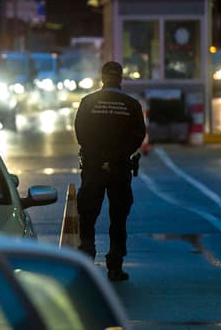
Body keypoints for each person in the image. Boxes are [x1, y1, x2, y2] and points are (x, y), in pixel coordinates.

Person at [74, 60, 147, 281]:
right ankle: (115, 266)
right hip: (120, 168)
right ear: (121, 78)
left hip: (93, 166)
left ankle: (86, 261)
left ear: (103, 78)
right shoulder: (131, 105)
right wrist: (118, 155)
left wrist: (98, 155)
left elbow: (80, 133)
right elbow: (138, 135)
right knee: (118, 217)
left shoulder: (88, 102)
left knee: (87, 215)